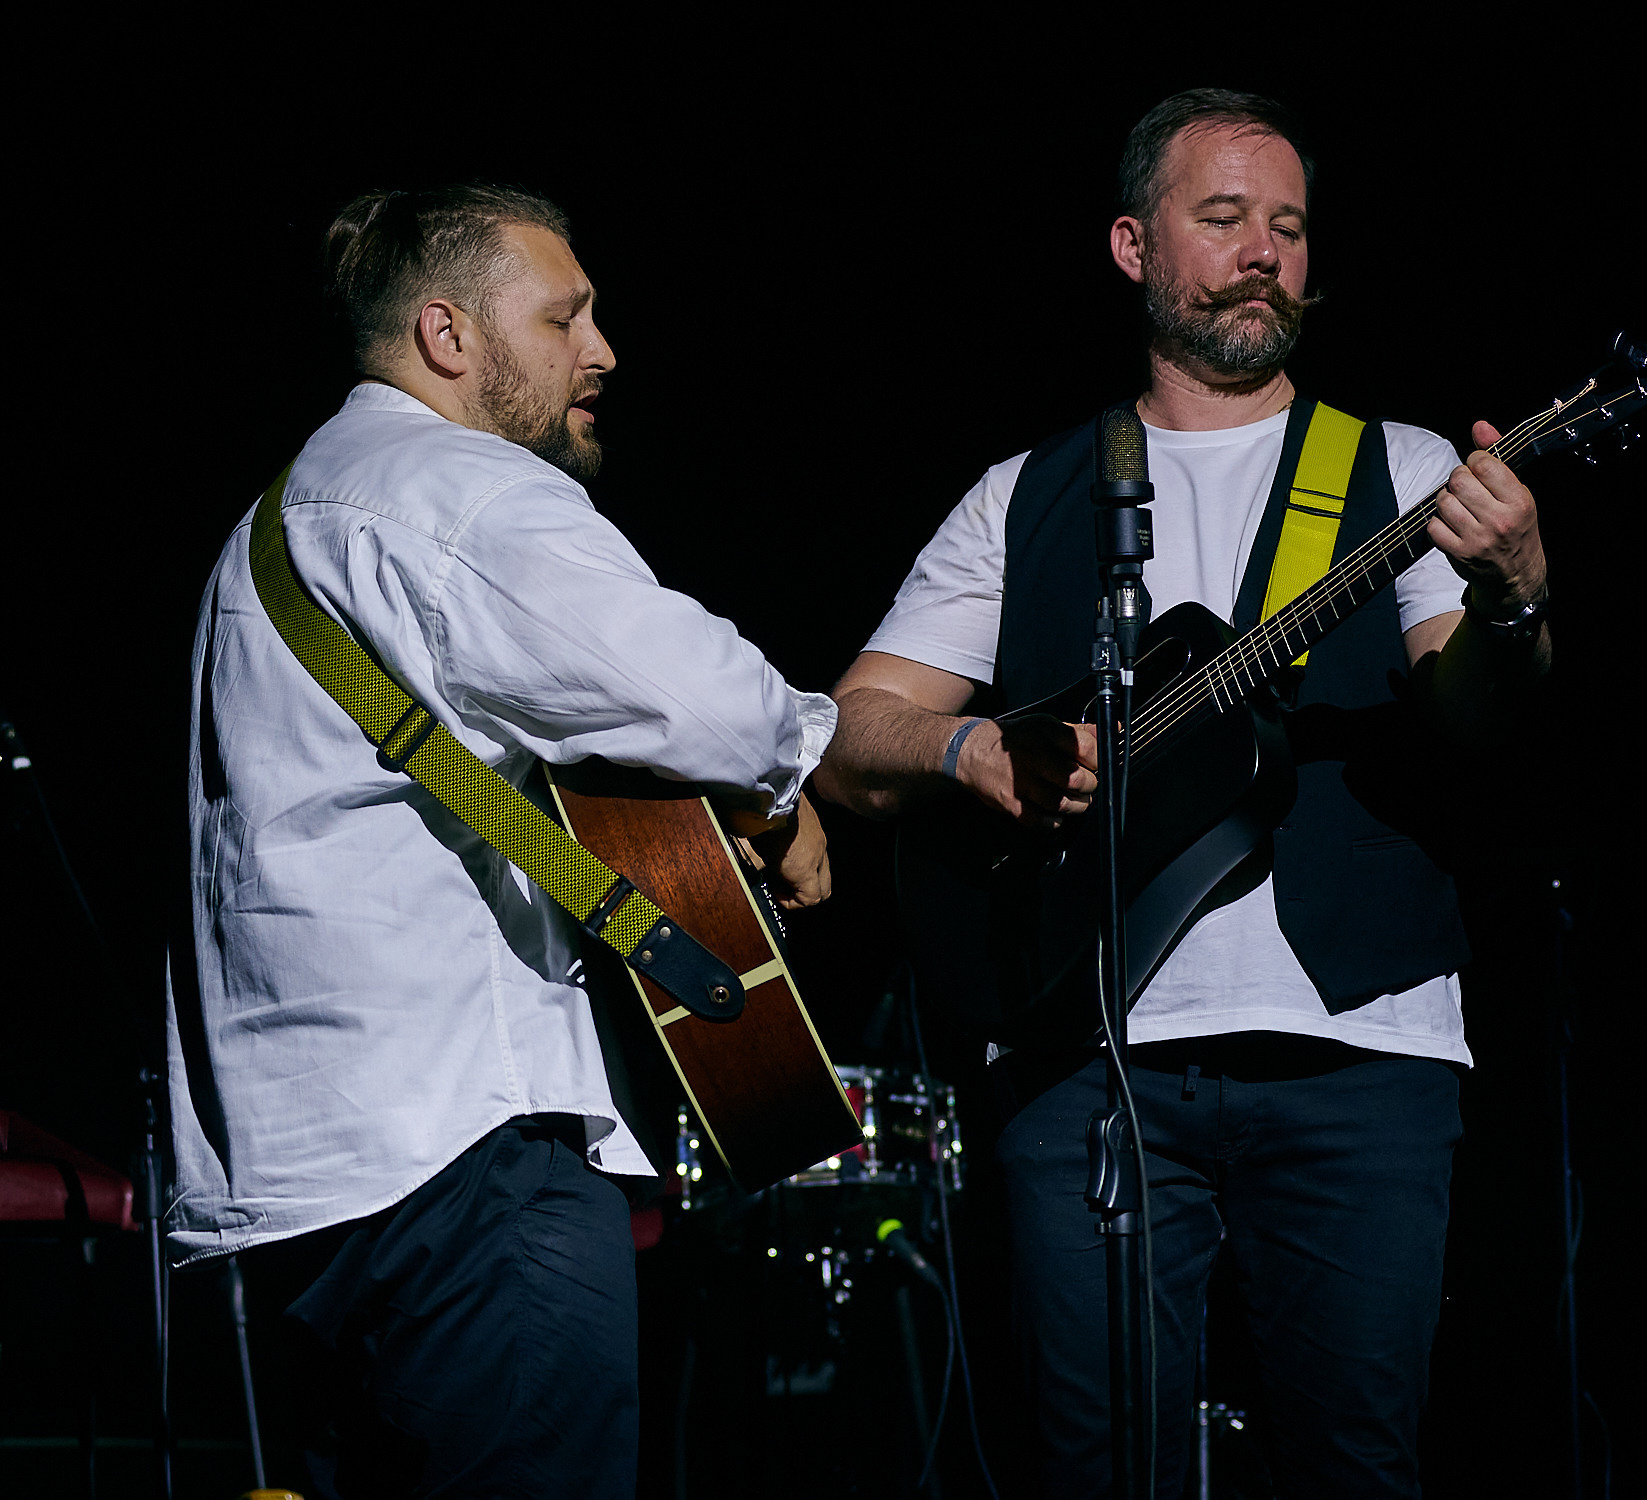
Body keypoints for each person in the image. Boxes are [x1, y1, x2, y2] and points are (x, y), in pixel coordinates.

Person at [814, 90, 1550, 1497]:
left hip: (1364, 1051)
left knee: (1357, 1466)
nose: (1263, 252)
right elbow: (852, 733)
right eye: (1222, 220)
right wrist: (973, 754)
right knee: (1093, 1470)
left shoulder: (1394, 469)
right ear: (1131, 245)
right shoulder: (1023, 494)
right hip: (1086, 1053)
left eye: (1288, 226)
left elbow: (1477, 717)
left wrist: (1515, 605)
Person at [166, 185, 834, 1498]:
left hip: (302, 1190)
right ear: (448, 336)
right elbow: (704, 698)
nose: (603, 351)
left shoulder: (266, 534)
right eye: (565, 316)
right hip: (463, 1165)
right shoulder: (447, 483)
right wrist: (793, 776)